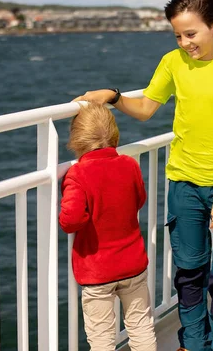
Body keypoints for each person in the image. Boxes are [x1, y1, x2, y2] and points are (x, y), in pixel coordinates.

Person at [73, 0, 213, 351]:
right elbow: (145, 109)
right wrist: (114, 96)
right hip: (183, 185)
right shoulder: (172, 63)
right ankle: (192, 342)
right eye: (178, 35)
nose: (184, 42)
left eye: (191, 33)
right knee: (189, 273)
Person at [59, 102, 157, 351]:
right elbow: (139, 199)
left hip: (97, 271)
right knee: (141, 326)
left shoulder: (78, 174)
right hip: (133, 264)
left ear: (77, 139)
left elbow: (70, 221)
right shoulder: (129, 164)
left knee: (102, 338)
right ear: (114, 133)